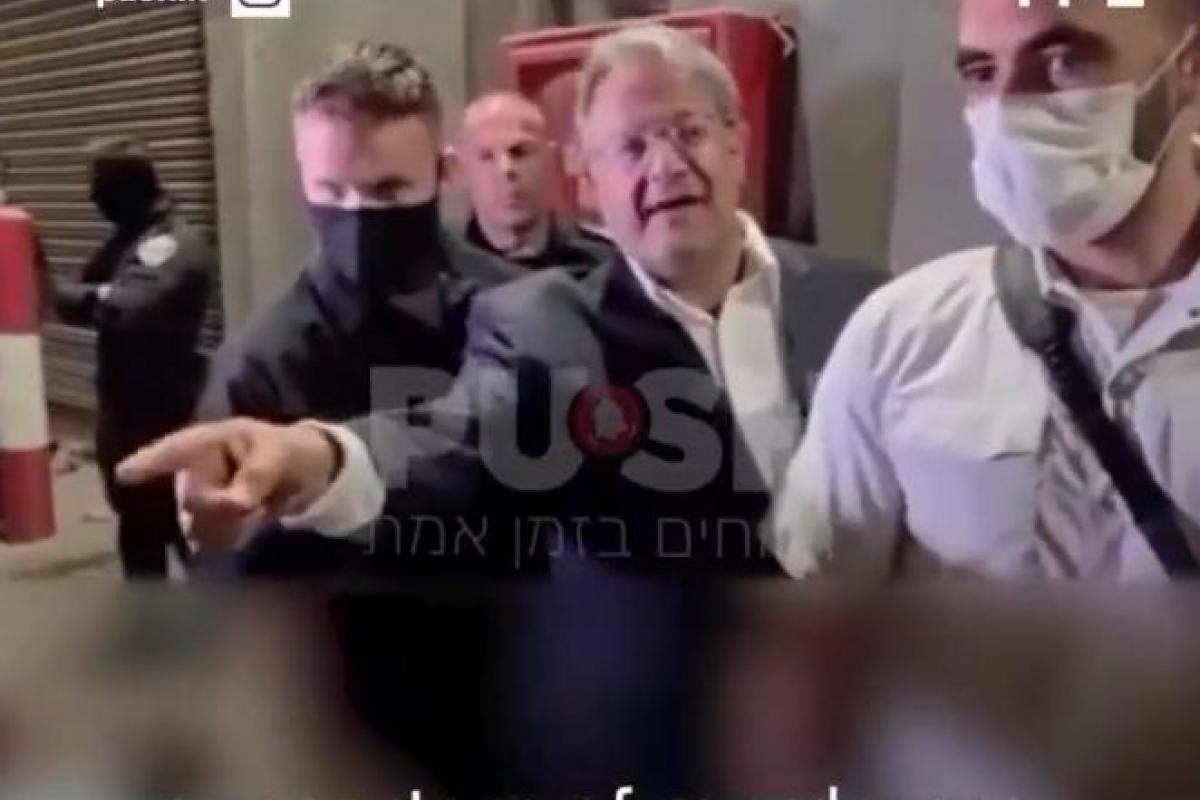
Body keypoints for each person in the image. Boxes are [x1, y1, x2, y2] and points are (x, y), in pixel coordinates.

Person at [121, 23, 882, 577]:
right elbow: (456, 437)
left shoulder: (869, 306)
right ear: (589, 180)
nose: (666, 165)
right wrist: (312, 457)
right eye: (631, 146)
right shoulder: (544, 323)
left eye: (687, 131)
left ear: (737, 142)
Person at [774, 0, 1200, 581]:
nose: (1008, 107)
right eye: (981, 73)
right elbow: (821, 601)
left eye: (1061, 62)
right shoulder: (904, 334)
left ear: (1188, 65)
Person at [197, 43, 521, 426]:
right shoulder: (259, 374)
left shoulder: (518, 308)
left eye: (388, 189)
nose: (356, 213)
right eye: (332, 191)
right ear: (303, 179)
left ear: (444, 172)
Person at [54, 136, 215, 579]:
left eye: (98, 186)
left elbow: (127, 310)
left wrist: (97, 296)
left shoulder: (173, 242)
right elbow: (73, 298)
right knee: (138, 532)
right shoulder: (128, 241)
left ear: (125, 187)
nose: (92, 198)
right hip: (124, 410)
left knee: (185, 533)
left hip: (165, 411)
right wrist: (88, 292)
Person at [453, 90, 613, 272]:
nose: (506, 169)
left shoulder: (605, 266)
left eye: (519, 152)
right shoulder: (444, 273)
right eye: (487, 157)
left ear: (550, 159)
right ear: (461, 171)